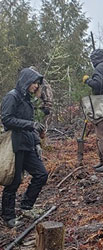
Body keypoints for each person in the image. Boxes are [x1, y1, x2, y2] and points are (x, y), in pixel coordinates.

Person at [1, 68, 48, 228]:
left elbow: (30, 124)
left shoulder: (27, 100)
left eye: (37, 84)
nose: (36, 86)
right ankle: (8, 217)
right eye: (34, 82)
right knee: (13, 182)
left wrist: (37, 143)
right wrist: (30, 124)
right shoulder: (12, 96)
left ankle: (26, 207)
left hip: (28, 144)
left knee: (41, 174)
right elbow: (6, 120)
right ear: (26, 80)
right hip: (15, 145)